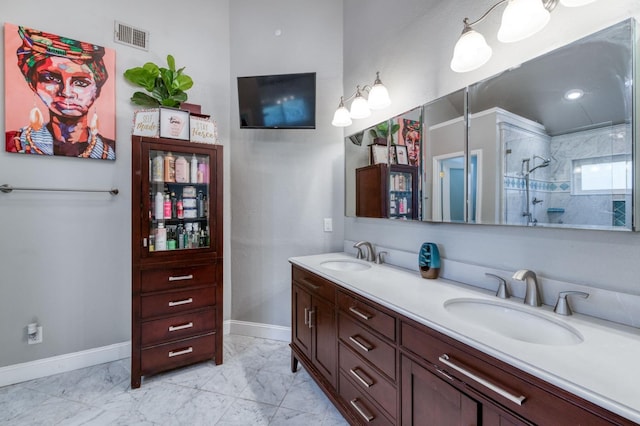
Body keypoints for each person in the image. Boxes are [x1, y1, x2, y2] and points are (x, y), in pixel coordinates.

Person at [8, 26, 115, 159]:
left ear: (97, 90)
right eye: (51, 78)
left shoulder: (111, 151)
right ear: (33, 84)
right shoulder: (11, 142)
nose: (66, 92)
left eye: (81, 83)